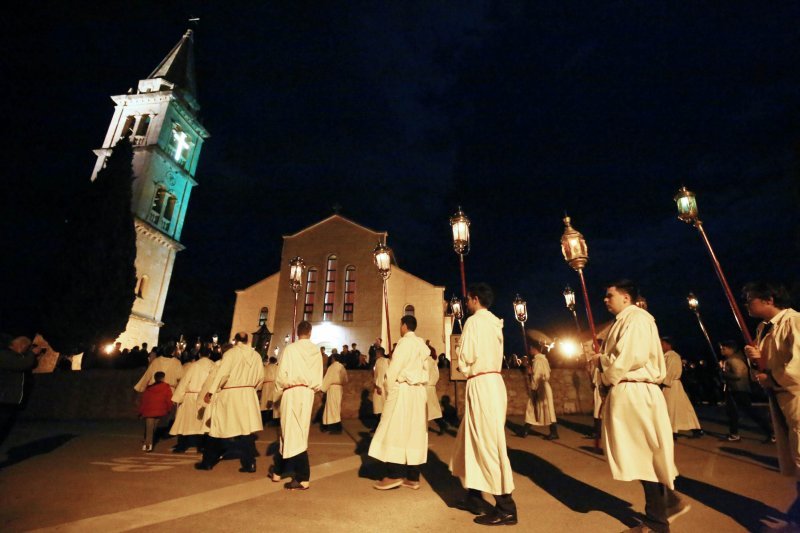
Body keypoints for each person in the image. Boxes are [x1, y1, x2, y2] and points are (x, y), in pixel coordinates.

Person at [595, 280, 687, 532]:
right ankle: (664, 504)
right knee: (642, 453)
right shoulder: (624, 320)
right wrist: (602, 360)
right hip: (628, 390)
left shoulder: (636, 318)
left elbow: (631, 356)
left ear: (626, 298)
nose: (605, 299)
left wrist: (604, 372)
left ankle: (658, 518)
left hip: (635, 389)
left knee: (643, 453)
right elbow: (620, 356)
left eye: (609, 295)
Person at [449, 283, 517, 526]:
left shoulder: (475, 322)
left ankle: (506, 507)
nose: (466, 303)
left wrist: (462, 366)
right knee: (470, 439)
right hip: (493, 383)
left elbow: (466, 355)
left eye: (468, 299)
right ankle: (474, 496)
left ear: (475, 299)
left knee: (487, 442)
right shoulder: (493, 323)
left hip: (481, 384)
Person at [742, 281, 800, 525]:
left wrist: (771, 377)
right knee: (795, 457)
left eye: (751, 299)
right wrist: (756, 359)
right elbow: (769, 363)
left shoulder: (794, 321)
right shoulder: (763, 329)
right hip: (780, 397)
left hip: (796, 396)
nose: (747, 304)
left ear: (769, 300)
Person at [368, 315, 429, 490]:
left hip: (403, 390)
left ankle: (394, 474)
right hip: (418, 392)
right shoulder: (422, 346)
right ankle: (413, 476)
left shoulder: (404, 343)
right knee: (414, 432)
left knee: (395, 429)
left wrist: (389, 387)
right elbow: (428, 371)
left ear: (404, 326)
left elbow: (394, 369)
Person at [195, 333, 264, 473]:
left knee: (216, 426)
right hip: (248, 394)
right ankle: (249, 463)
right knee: (246, 430)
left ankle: (207, 462)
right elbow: (261, 376)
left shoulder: (231, 354)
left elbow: (223, 374)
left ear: (236, 341)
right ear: (247, 341)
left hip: (231, 394)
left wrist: (211, 391)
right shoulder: (256, 355)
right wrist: (252, 389)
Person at [270, 321, 323, 490]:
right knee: (293, 431)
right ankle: (279, 470)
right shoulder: (316, 350)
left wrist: (276, 395)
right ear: (310, 332)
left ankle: (302, 477)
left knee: (292, 432)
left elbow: (281, 374)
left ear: (297, 332)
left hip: (291, 392)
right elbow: (318, 375)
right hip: (307, 393)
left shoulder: (290, 349)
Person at [719, 339, 773, 442]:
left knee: (750, 412)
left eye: (724, 348)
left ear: (731, 349)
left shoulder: (733, 360)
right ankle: (734, 433)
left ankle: (770, 432)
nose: (722, 350)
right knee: (732, 412)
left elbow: (738, 375)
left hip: (738, 389)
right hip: (735, 389)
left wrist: (723, 373)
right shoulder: (735, 359)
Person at [0, 336, 44, 445]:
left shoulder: (19, 356)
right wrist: (32, 354)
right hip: (4, 399)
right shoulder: (4, 354)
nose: (27, 349)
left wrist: (36, 356)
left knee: (5, 428)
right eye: (27, 347)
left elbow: (31, 365)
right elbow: (22, 364)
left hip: (13, 400)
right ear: (21, 345)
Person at [170, 348, 215, 453]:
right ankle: (202, 446)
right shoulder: (214, 366)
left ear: (199, 355)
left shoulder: (193, 366)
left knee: (185, 421)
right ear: (209, 355)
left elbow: (185, 381)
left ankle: (182, 446)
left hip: (191, 396)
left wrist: (177, 397)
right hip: (206, 396)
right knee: (202, 422)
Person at [659, 337, 703, 439]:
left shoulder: (673, 356)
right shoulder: (666, 356)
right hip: (671, 385)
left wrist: (662, 381)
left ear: (667, 344)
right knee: (681, 408)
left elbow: (671, 372)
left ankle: (673, 431)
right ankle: (695, 429)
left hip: (671, 385)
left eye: (662, 344)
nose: (660, 346)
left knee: (671, 408)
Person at [520, 340, 559, 440]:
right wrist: (531, 372)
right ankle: (525, 430)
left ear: (534, 349)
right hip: (544, 386)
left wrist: (533, 387)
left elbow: (537, 376)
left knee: (535, 408)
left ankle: (525, 430)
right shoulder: (543, 360)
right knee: (539, 409)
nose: (529, 350)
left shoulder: (537, 361)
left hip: (540, 387)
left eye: (531, 348)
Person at [138, 371, 173, 452]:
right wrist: (169, 409)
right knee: (153, 428)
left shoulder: (149, 388)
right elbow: (168, 399)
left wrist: (141, 412)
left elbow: (144, 401)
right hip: (159, 411)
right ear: (163, 378)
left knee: (149, 429)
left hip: (149, 411)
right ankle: (150, 444)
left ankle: (147, 445)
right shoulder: (166, 387)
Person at [321, 353, 348, 434]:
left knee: (332, 407)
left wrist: (322, 388)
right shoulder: (341, 367)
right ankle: (335, 426)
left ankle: (334, 427)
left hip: (332, 389)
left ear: (333, 358)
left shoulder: (332, 367)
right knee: (336, 407)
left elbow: (328, 378)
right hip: (339, 388)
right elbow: (345, 379)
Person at [425, 350, 445, 435]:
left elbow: (424, 374)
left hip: (426, 387)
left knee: (429, 409)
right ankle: (441, 425)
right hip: (431, 386)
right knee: (432, 408)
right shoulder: (433, 361)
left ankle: (442, 425)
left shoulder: (426, 361)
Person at [372, 346, 389, 431]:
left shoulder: (379, 361)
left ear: (379, 353)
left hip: (379, 386)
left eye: (376, 353)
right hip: (386, 386)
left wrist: (376, 385)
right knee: (383, 406)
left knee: (378, 407)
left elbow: (376, 374)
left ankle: (378, 426)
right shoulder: (388, 361)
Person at [260, 356, 280, 424]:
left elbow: (261, 377)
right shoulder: (278, 368)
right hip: (275, 385)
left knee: (265, 401)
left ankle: (264, 419)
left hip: (266, 385)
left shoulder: (265, 368)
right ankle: (273, 419)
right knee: (274, 401)